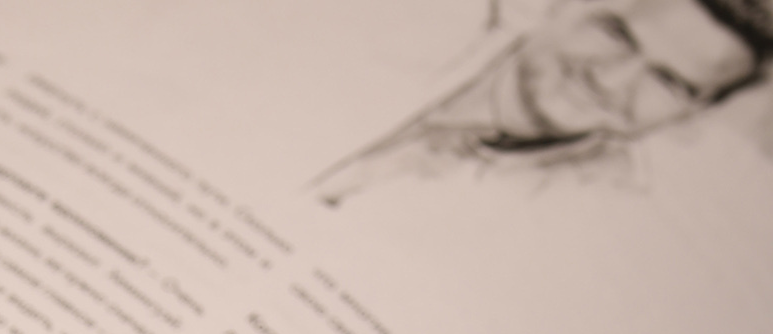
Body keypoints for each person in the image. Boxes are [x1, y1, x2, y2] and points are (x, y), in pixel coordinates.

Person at [316, 0, 773, 199]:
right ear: (568, 4)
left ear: (694, 113)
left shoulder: (598, 208)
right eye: (615, 35)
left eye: (667, 84)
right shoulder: (393, 30)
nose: (611, 80)